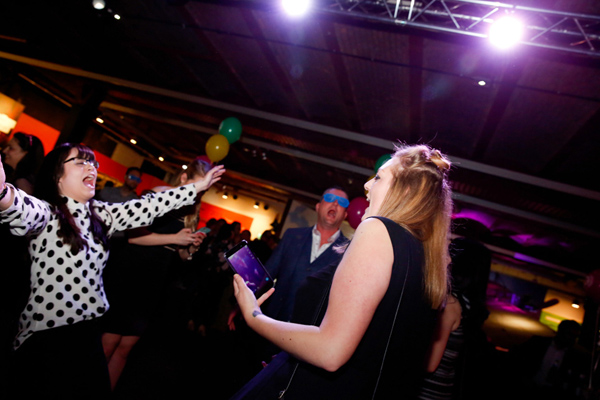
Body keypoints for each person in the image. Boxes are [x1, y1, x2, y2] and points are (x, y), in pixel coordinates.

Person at [0, 143, 224, 398]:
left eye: (92, 162)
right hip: (49, 333)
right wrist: (2, 191)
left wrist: (197, 187)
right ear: (57, 176)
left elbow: (151, 206)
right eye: (80, 162)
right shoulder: (47, 212)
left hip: (88, 330)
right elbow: (17, 206)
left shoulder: (100, 214)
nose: (91, 168)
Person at [230, 143, 453, 399]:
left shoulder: (377, 230)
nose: (367, 185)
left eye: (378, 178)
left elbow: (330, 351)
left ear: (405, 191)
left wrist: (254, 316)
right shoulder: (424, 255)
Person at [100, 157, 213, 390]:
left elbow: (181, 255)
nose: (200, 191)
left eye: (205, 188)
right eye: (198, 185)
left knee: (126, 348)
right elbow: (133, 237)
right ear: (184, 178)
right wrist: (175, 238)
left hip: (153, 281)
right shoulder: (158, 194)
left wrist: (191, 248)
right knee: (108, 343)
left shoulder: (191, 212)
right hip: (129, 274)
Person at [260, 186, 350, 324]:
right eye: (330, 198)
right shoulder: (291, 236)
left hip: (311, 331)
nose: (335, 203)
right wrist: (245, 304)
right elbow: (267, 275)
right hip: (272, 322)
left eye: (342, 202)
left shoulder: (349, 251)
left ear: (345, 215)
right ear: (318, 207)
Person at [0, 131, 45, 393]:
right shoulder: (20, 179)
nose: (6, 151)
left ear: (26, 154)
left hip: (11, 261)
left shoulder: (22, 184)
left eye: (12, 148)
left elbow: (21, 223)